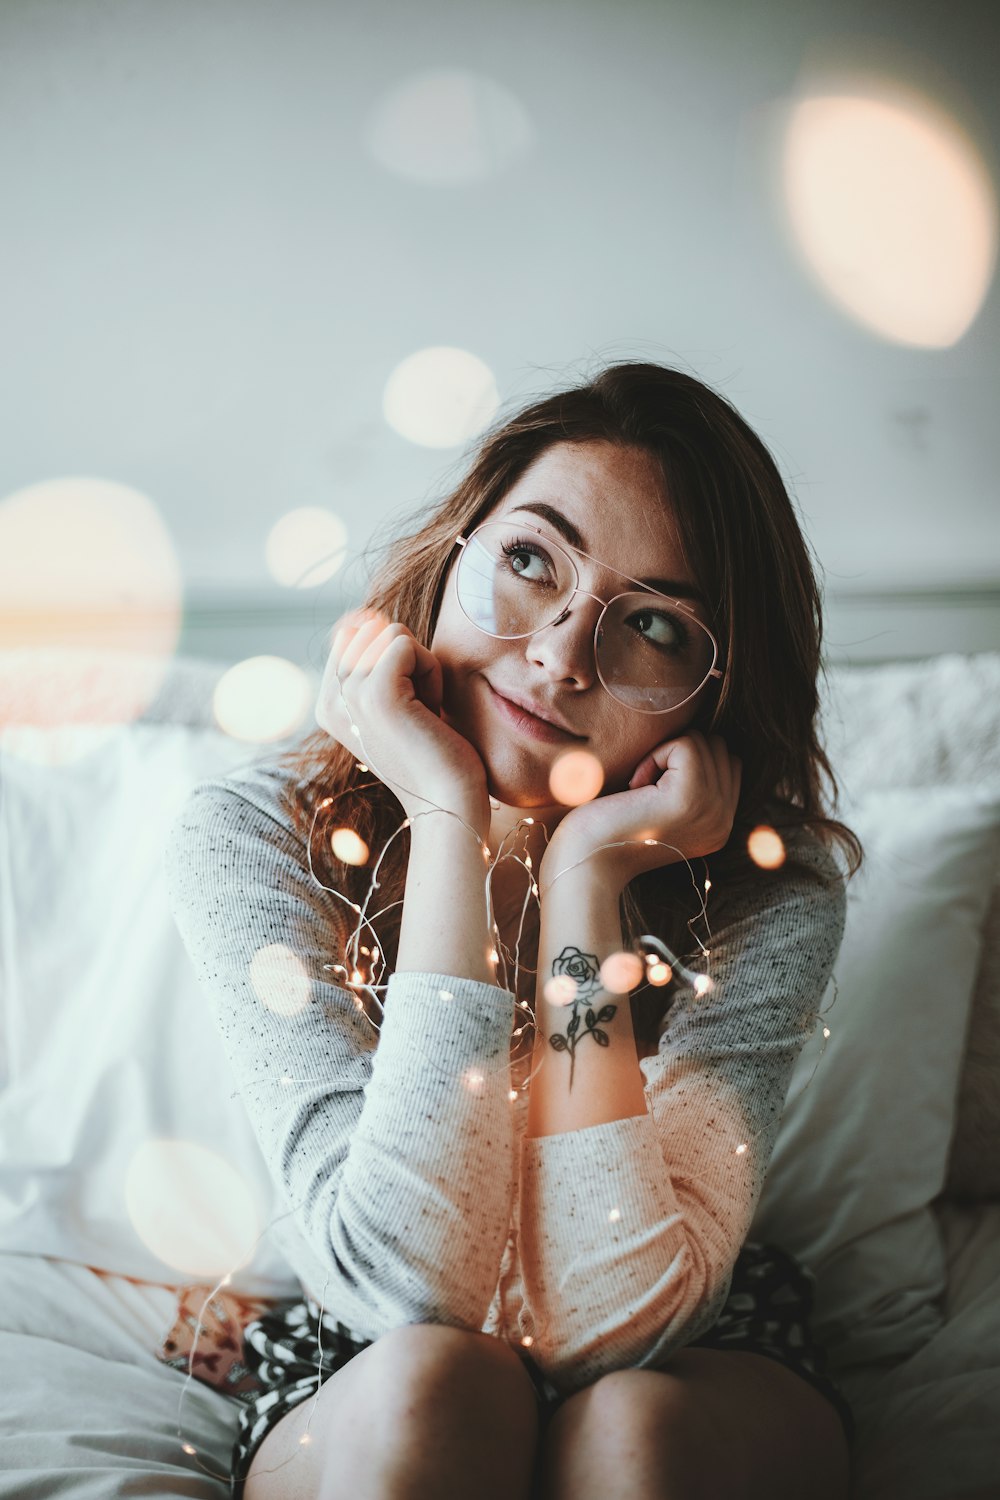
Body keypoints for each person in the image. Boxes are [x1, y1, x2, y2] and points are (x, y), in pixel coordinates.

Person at [165, 361, 861, 1500]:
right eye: (531, 561)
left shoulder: (766, 896)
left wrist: (585, 886)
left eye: (650, 624)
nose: (558, 656)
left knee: (631, 1429)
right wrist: (449, 823)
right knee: (434, 1386)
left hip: (690, 1337)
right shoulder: (256, 840)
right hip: (360, 1341)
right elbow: (405, 1295)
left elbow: (612, 1323)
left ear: (713, 696)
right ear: (454, 554)